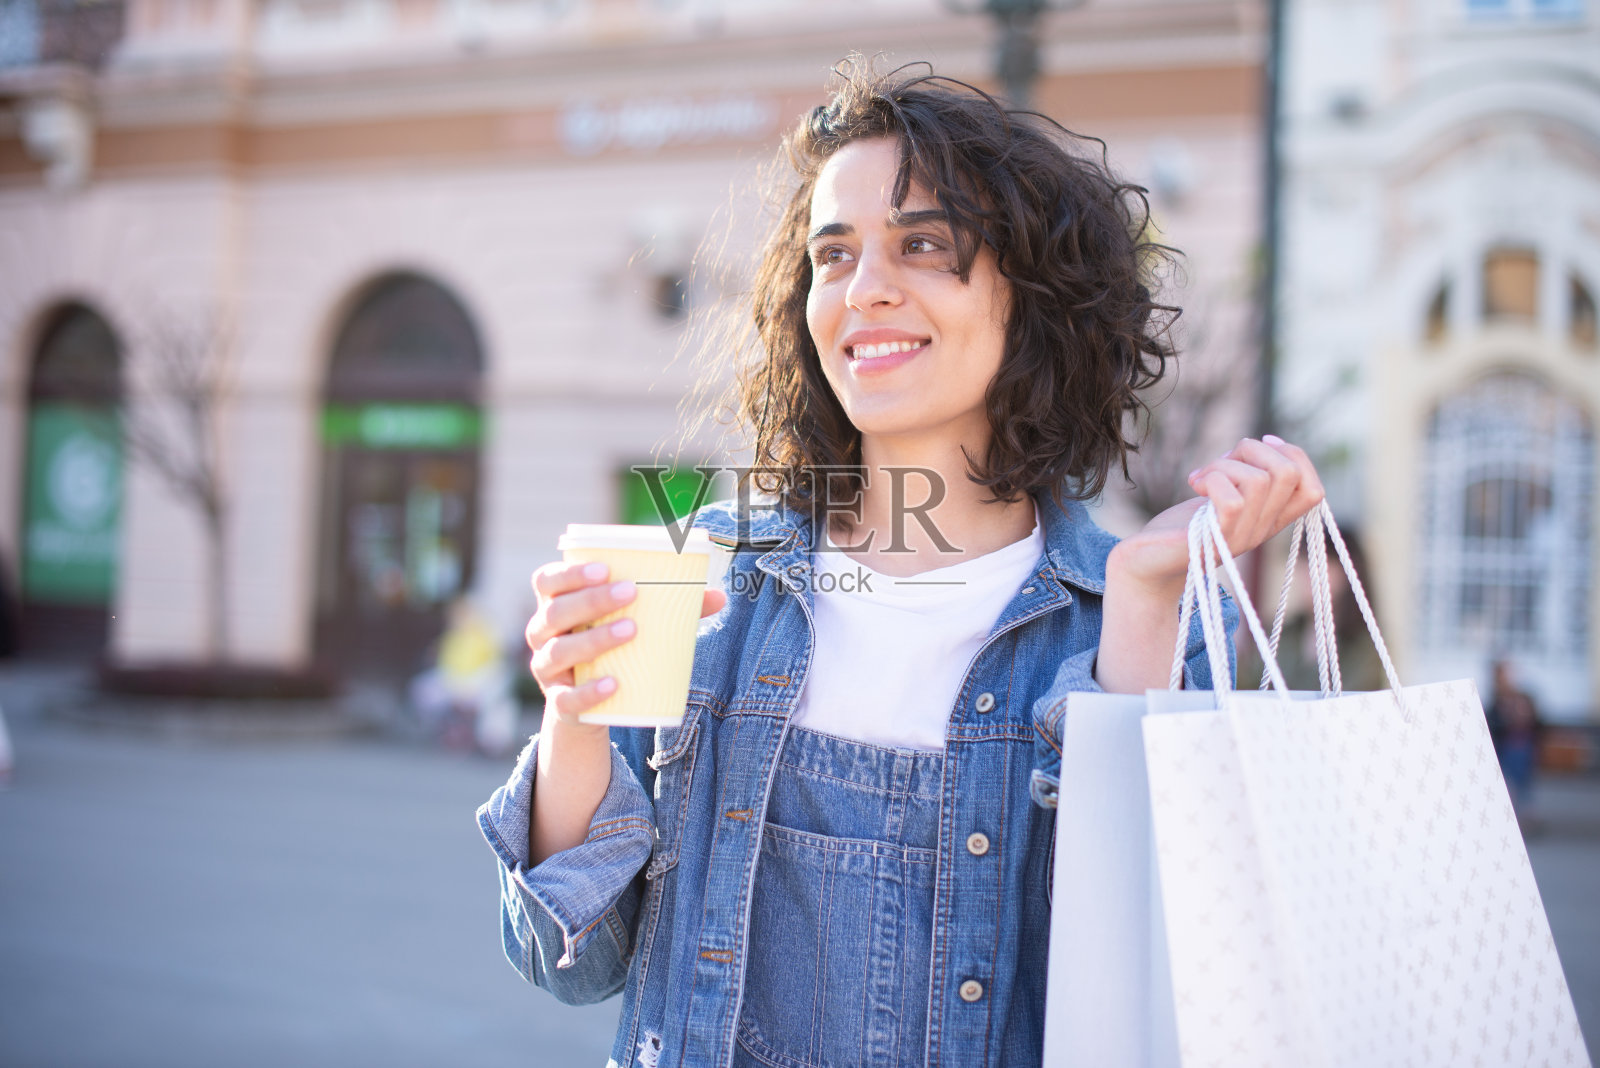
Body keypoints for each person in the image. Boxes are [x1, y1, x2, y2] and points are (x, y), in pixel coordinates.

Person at [478, 63, 1325, 1068]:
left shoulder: (1146, 610)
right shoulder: (710, 570)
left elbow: (1129, 991)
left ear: (1033, 299)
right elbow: (571, 961)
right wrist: (574, 713)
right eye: (832, 255)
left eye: (923, 243)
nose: (864, 289)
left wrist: (1140, 610)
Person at [1487, 659, 1542, 817]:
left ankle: (1523, 815)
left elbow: (1535, 720)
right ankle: (1513, 816)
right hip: (1506, 749)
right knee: (1509, 786)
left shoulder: (1522, 697)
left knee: (1522, 786)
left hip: (1522, 748)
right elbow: (1494, 723)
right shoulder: (1496, 700)